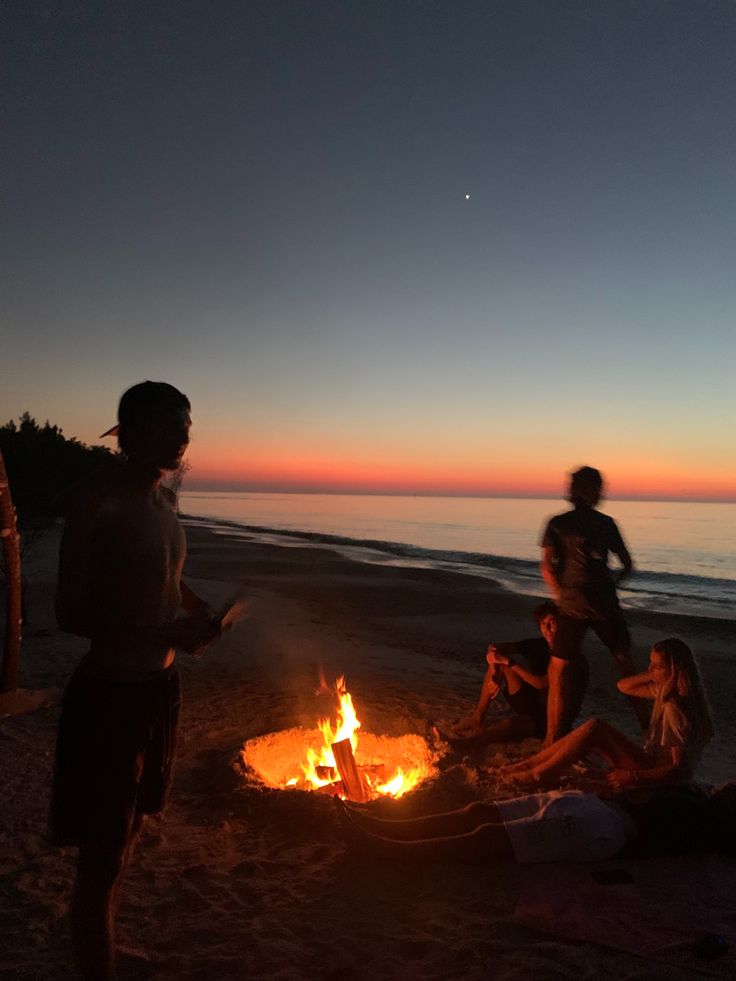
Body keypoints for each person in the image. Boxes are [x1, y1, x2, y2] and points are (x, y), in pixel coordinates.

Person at [50, 381, 225, 981]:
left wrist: (196, 611)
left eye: (186, 423)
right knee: (101, 853)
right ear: (129, 432)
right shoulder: (97, 499)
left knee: (130, 833)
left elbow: (169, 576)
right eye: (169, 423)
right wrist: (160, 635)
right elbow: (68, 612)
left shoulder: (165, 506)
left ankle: (106, 947)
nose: (182, 435)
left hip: (160, 691)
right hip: (109, 694)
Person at [342, 780, 735, 865]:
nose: (729, 783)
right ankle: (384, 821)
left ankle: (387, 849)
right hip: (589, 803)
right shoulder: (696, 794)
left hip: (603, 829)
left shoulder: (711, 822)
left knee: (489, 836)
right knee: (478, 811)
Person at [498, 637, 713, 791]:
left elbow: (677, 770)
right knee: (594, 728)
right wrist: (653, 674)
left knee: (596, 728)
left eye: (656, 666)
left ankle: (536, 772)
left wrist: (631, 776)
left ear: (674, 670)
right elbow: (623, 686)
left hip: (656, 777)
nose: (650, 669)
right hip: (650, 763)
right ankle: (529, 766)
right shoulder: (670, 695)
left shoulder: (675, 708)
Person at [540, 466, 645, 744]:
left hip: (571, 604)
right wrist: (612, 585)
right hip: (605, 604)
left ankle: (552, 738)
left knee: (559, 667)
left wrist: (560, 595)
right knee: (625, 663)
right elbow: (627, 565)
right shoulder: (607, 523)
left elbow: (548, 570)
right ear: (596, 491)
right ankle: (649, 729)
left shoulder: (557, 523)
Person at [437, 602, 558, 748]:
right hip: (529, 701)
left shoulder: (563, 654)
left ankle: (463, 745)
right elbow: (494, 647)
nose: (547, 629)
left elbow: (542, 683)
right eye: (543, 624)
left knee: (505, 727)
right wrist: (494, 671)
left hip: (547, 716)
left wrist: (509, 662)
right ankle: (477, 717)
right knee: (500, 663)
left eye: (552, 623)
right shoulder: (538, 644)